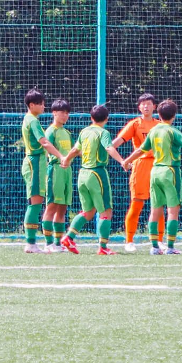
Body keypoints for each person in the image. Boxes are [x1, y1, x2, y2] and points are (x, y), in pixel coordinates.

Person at [126, 99, 182, 255]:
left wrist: (127, 161)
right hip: (170, 171)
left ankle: (154, 247)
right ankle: (170, 247)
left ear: (158, 114)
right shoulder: (172, 131)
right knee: (173, 210)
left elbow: (141, 150)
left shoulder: (154, 130)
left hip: (155, 172)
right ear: (174, 115)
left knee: (155, 210)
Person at [59, 104, 120, 255]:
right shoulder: (103, 132)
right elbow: (109, 148)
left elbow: (75, 149)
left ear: (91, 118)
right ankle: (103, 247)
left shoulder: (84, 131)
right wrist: (122, 161)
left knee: (88, 211)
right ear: (107, 118)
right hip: (97, 173)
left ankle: (69, 238)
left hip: (83, 174)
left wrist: (66, 159)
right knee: (106, 212)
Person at [20, 89, 71, 252]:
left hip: (38, 163)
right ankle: (31, 243)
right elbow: (44, 142)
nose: (43, 106)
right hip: (34, 162)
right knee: (35, 203)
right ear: (31, 105)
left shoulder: (32, 120)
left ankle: (36, 243)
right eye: (40, 104)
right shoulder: (32, 121)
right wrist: (61, 156)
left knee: (37, 202)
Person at [112, 93, 163, 251]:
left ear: (154, 106)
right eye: (143, 104)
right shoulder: (134, 124)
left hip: (158, 165)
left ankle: (159, 240)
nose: (146, 106)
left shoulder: (159, 125)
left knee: (159, 205)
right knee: (137, 203)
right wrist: (121, 159)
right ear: (139, 107)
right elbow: (115, 143)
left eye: (149, 103)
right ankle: (129, 241)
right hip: (140, 166)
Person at [41, 100, 74, 251]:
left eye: (67, 113)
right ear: (54, 113)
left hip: (67, 170)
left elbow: (74, 150)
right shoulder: (50, 131)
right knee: (52, 205)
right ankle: (48, 243)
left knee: (62, 207)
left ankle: (58, 243)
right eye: (62, 112)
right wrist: (60, 158)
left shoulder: (67, 132)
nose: (65, 115)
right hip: (55, 169)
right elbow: (46, 148)